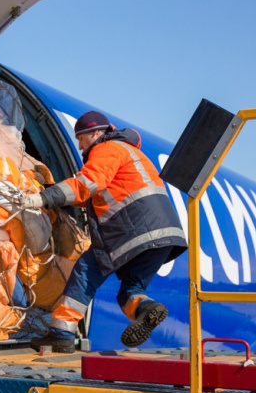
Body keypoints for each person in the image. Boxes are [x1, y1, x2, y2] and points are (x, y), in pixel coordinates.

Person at [22, 110, 187, 353]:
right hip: (164, 237)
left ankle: (61, 334)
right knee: (130, 291)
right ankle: (146, 309)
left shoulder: (106, 149)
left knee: (86, 272)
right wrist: (53, 192)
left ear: (96, 133)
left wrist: (44, 198)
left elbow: (87, 185)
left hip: (131, 230)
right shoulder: (132, 153)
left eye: (81, 138)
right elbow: (92, 195)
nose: (79, 145)